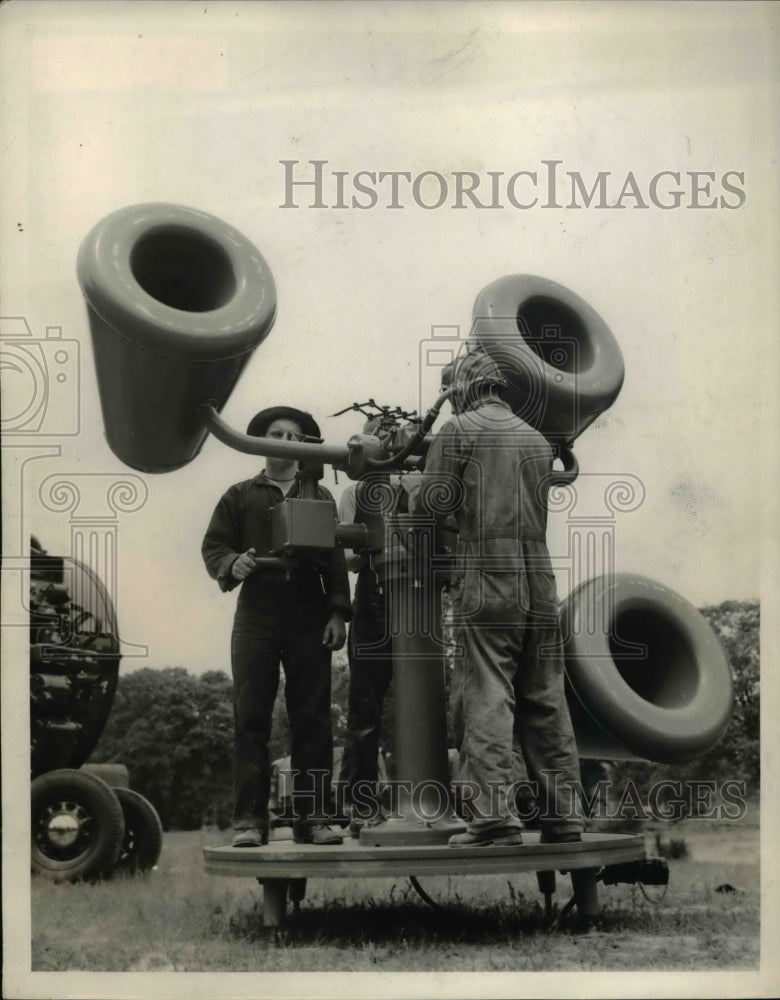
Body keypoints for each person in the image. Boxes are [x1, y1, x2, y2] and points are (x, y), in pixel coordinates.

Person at [402, 352, 583, 847]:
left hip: (486, 572)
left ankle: (493, 819)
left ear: (461, 386)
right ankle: (563, 818)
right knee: (545, 695)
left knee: (487, 692)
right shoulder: (536, 436)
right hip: (540, 576)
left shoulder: (459, 429)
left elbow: (429, 507)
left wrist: (416, 481)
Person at [201, 406, 351, 847]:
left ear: (303, 447)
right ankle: (249, 822)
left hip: (309, 611)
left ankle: (314, 819)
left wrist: (338, 613)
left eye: (293, 436)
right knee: (251, 717)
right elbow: (214, 545)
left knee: (313, 717)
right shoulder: (240, 495)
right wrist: (234, 562)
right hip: (257, 612)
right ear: (260, 441)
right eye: (275, 434)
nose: (284, 441)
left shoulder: (319, 497)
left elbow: (335, 559)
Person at [337, 419, 403, 834]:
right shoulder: (353, 493)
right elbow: (346, 558)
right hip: (375, 594)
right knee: (365, 708)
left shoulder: (413, 485)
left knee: (417, 705)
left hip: (415, 597)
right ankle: (360, 805)